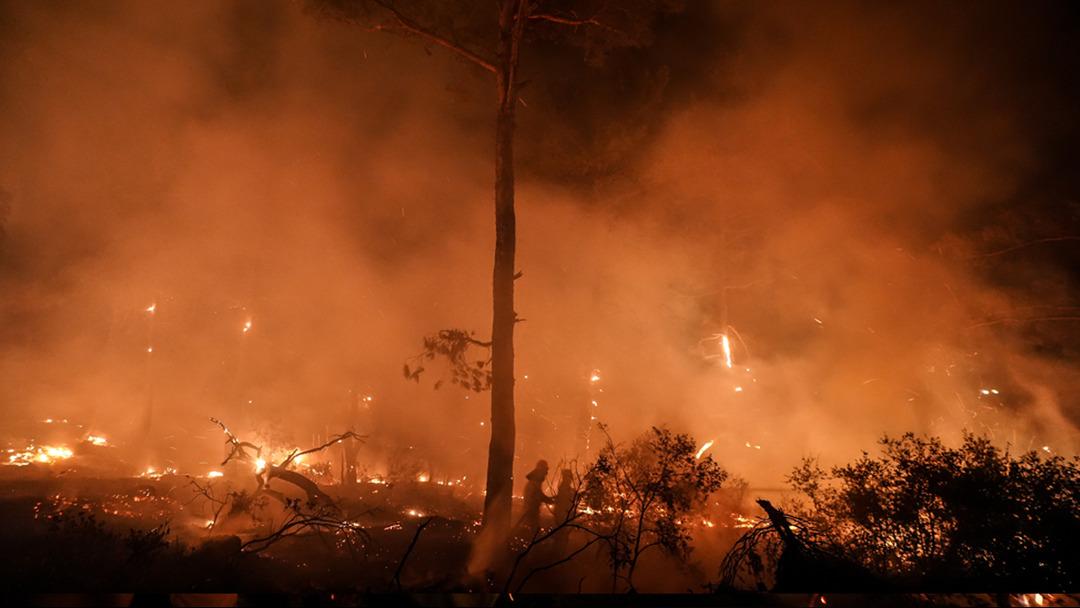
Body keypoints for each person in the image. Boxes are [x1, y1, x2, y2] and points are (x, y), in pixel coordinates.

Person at [517, 459, 553, 538]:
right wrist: (552, 500)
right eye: (545, 470)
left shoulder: (535, 482)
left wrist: (552, 500)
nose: (545, 474)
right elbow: (539, 496)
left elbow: (540, 496)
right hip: (530, 512)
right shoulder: (534, 483)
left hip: (531, 512)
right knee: (532, 534)